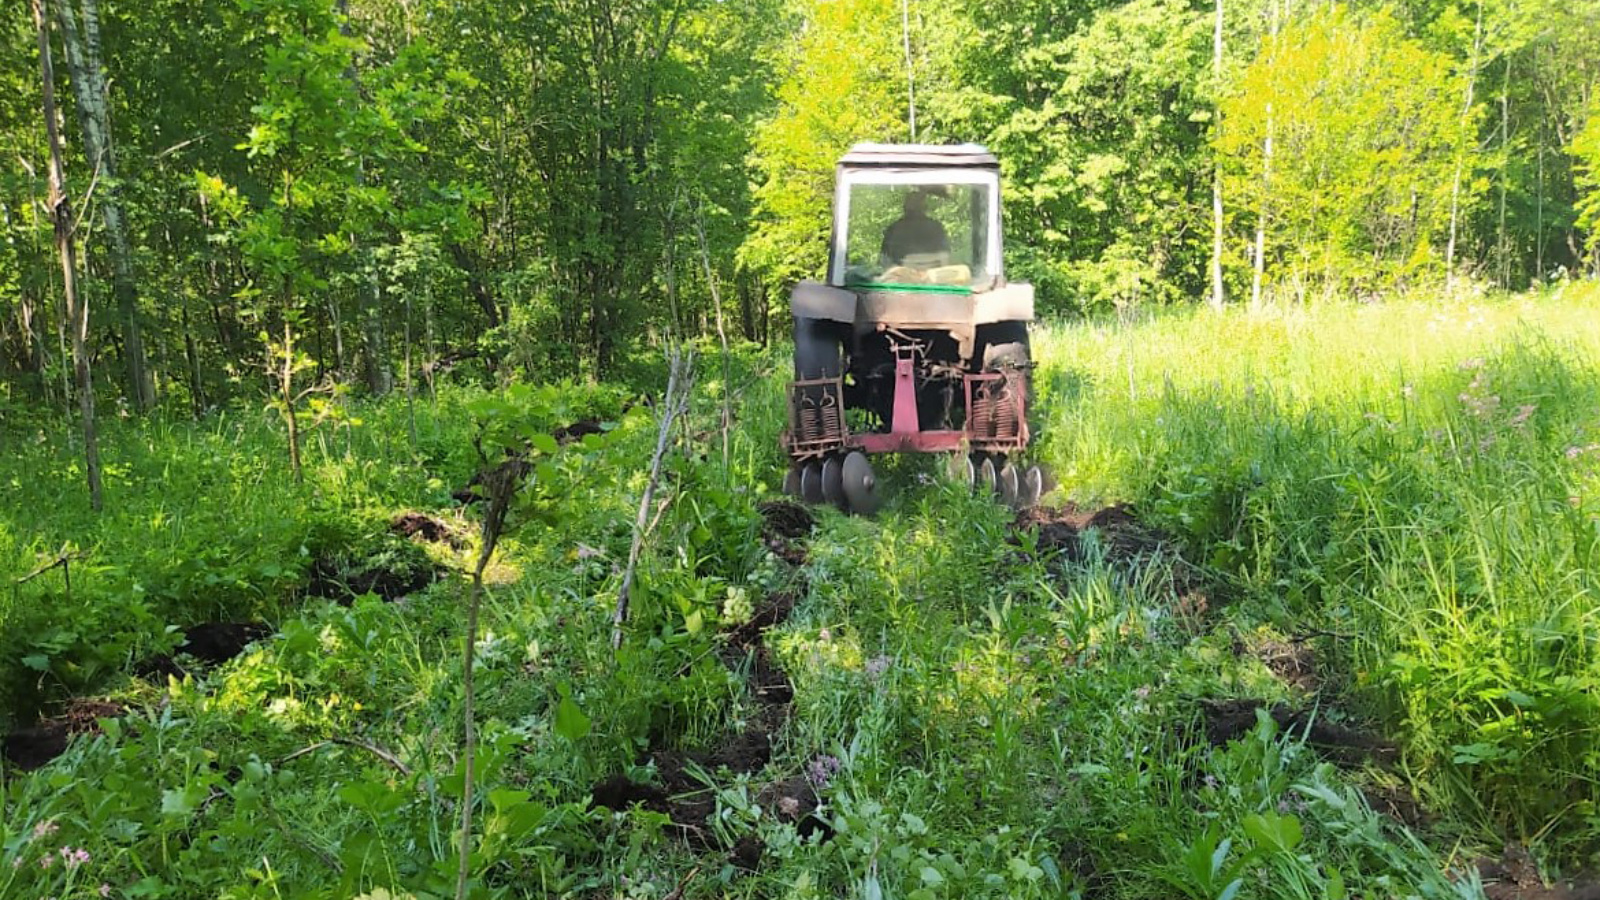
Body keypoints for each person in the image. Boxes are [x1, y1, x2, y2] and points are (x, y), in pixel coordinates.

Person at [879, 190, 949, 267]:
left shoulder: (893, 230)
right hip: (902, 277)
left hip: (931, 276)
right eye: (913, 206)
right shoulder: (893, 230)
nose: (914, 210)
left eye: (916, 206)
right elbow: (885, 261)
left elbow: (945, 258)